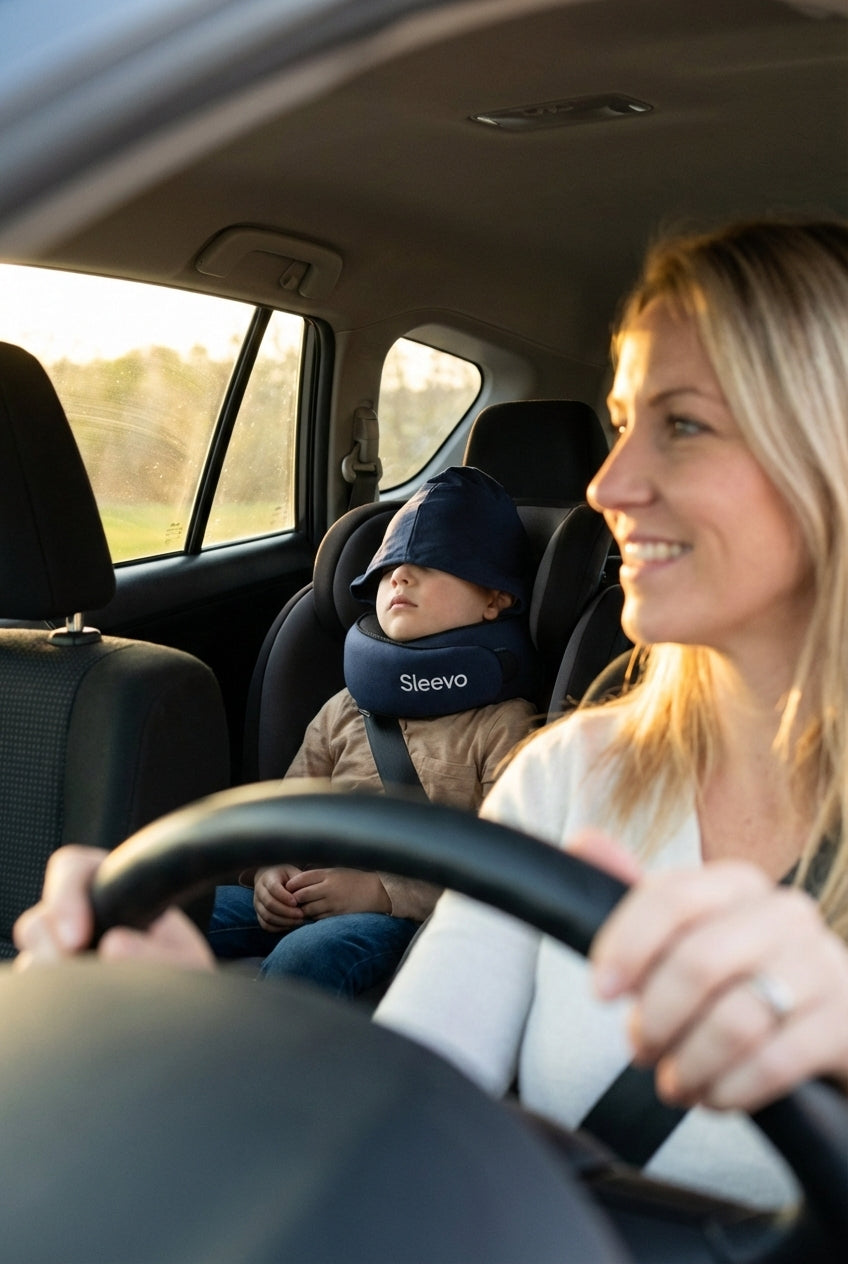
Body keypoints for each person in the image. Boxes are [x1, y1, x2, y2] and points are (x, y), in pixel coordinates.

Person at [13, 219, 848, 1211]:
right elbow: (396, 1117)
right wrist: (178, 1045)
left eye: (684, 423)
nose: (605, 484)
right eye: (623, 421)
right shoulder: (569, 771)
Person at [204, 465, 539, 996]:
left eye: (429, 565)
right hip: (306, 893)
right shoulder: (345, 707)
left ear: (494, 598)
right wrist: (270, 871)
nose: (401, 578)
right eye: (387, 571)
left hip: (409, 921)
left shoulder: (504, 724)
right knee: (169, 908)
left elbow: (506, 870)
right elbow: (285, 814)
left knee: (311, 955)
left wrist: (381, 892)